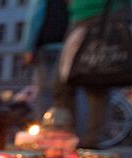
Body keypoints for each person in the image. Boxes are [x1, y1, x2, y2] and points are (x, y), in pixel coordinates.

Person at [55, 0, 131, 148]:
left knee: (98, 80)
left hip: (107, 15)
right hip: (81, 16)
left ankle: (89, 141)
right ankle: (67, 137)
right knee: (64, 82)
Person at [21, 0, 68, 120]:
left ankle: (44, 127)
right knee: (68, 92)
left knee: (45, 92)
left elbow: (34, 19)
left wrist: (28, 48)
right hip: (69, 46)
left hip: (48, 46)